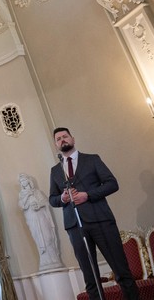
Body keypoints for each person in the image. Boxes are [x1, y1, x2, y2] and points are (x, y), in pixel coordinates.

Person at [48, 127, 139, 300]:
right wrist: (63, 198)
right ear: (56, 144)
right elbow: (52, 199)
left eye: (65, 136)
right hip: (75, 227)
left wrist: (88, 195)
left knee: (121, 271)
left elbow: (112, 183)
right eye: (58, 139)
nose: (62, 140)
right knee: (90, 279)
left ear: (72, 139)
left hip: (101, 222)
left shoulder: (92, 159)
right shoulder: (55, 171)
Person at [17, 173, 61, 271]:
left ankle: (54, 258)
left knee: (48, 237)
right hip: (32, 218)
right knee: (38, 238)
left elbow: (46, 202)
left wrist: (39, 205)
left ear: (28, 180)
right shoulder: (22, 195)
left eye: (24, 180)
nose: (23, 182)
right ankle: (44, 260)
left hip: (41, 216)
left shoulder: (37, 192)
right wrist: (27, 196)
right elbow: (21, 206)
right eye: (21, 181)